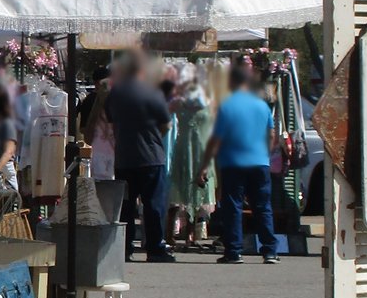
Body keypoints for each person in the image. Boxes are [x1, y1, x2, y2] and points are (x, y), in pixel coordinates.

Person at [199, 66, 278, 264]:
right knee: (263, 206)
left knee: (233, 206)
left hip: (233, 162)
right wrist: (265, 153)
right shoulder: (262, 106)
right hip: (260, 162)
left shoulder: (227, 106)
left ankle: (234, 251)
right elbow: (271, 134)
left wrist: (204, 165)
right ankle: (270, 250)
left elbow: (216, 139)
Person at [104, 50, 176, 263]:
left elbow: (110, 120)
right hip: (151, 157)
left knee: (125, 207)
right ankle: (154, 248)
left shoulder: (115, 93)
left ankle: (124, 248)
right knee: (153, 205)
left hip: (125, 157)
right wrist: (152, 136)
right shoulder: (152, 93)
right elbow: (166, 124)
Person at [168, 63, 216, 248]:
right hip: (189, 147)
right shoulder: (182, 100)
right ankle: (181, 233)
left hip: (197, 148)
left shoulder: (205, 101)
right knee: (181, 190)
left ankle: (190, 233)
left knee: (194, 191)